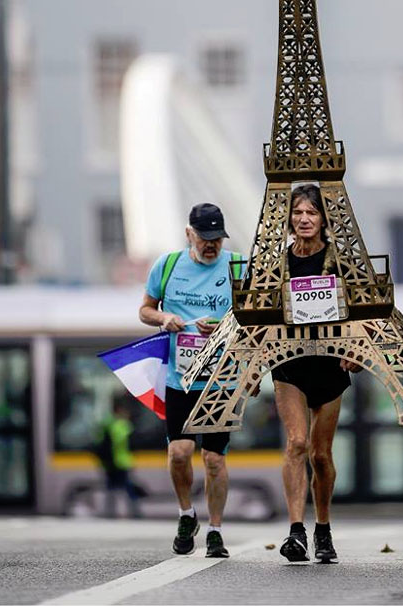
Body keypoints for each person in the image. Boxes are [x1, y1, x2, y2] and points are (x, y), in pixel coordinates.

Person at [139, 203, 241, 557]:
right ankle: (186, 513)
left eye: (217, 239)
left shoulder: (239, 267)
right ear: (189, 234)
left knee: (214, 459)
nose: (212, 245)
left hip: (222, 378)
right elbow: (145, 309)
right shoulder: (166, 265)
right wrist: (164, 317)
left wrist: (226, 327)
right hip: (180, 378)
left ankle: (215, 530)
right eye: (204, 238)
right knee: (179, 452)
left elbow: (260, 317)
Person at [273, 183, 360, 565]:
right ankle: (296, 532)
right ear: (288, 219)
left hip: (329, 363)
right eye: (298, 213)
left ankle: (322, 528)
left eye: (311, 212)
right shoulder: (276, 264)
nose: (304, 219)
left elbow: (366, 310)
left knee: (321, 455)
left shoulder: (342, 261)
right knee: (296, 444)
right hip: (290, 363)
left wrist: (357, 350)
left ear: (325, 218)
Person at [96, 397, 142, 518]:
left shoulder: (106, 423)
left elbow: (100, 442)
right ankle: (135, 512)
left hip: (109, 463)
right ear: (119, 410)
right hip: (121, 462)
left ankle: (108, 512)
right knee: (128, 488)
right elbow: (132, 442)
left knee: (111, 489)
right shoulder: (123, 425)